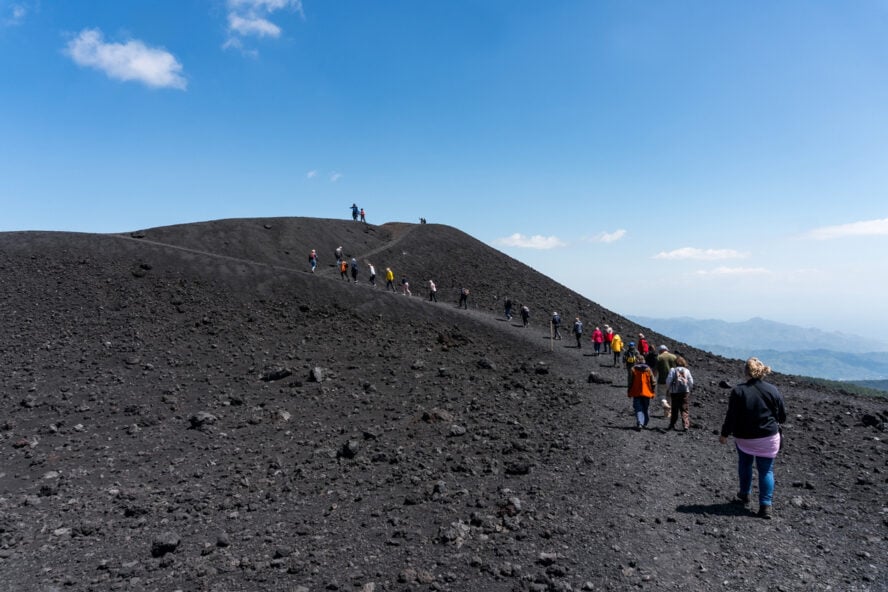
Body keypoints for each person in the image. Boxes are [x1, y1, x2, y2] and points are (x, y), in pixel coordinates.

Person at [719, 357, 787, 519]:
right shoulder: (773, 390)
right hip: (768, 438)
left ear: (746, 372)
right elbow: (782, 417)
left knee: (745, 463)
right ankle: (765, 506)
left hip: (745, 437)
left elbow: (732, 416)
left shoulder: (738, 391)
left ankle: (744, 494)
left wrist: (724, 434)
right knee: (766, 470)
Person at [665, 356, 694, 431]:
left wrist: (669, 389)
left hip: (675, 392)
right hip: (684, 392)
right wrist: (689, 388)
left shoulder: (673, 370)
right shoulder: (687, 370)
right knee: (684, 409)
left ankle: (672, 425)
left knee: (674, 409)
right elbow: (691, 382)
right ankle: (686, 425)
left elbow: (668, 380)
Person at [627, 357, 656, 430]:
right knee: (645, 407)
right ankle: (645, 423)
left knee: (638, 408)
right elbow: (653, 381)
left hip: (636, 392)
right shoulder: (648, 369)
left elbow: (630, 381)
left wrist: (629, 390)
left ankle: (640, 422)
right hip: (647, 392)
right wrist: (652, 389)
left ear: (637, 361)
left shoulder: (633, 369)